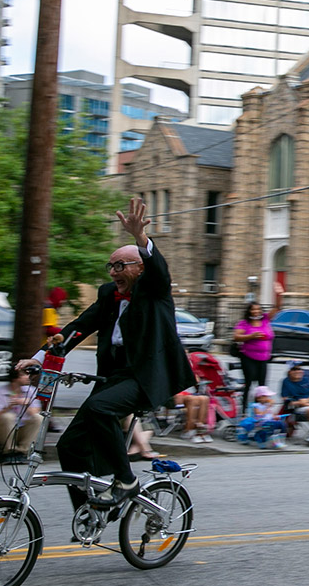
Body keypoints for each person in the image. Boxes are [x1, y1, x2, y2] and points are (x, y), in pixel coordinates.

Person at [16, 197, 195, 510]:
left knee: (101, 409)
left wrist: (141, 237)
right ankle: (91, 507)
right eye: (110, 266)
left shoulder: (153, 291)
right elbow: (78, 327)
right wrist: (40, 357)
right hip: (114, 376)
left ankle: (126, 480)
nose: (113, 272)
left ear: (140, 269)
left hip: (146, 376)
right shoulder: (109, 295)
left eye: (120, 265)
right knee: (69, 445)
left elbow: (159, 271)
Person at [0, 367, 44, 463]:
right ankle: (9, 452)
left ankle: (23, 451)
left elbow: (36, 412)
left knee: (39, 418)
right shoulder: (0, 392)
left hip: (24, 430)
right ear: (15, 378)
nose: (28, 377)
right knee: (8, 417)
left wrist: (26, 404)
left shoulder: (31, 391)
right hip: (5, 431)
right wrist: (8, 407)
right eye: (24, 375)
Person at [234, 302, 274, 416]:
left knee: (262, 386)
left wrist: (279, 294)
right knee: (249, 383)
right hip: (249, 357)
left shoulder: (265, 320)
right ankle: (244, 410)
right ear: (249, 311)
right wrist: (250, 336)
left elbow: (277, 308)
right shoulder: (244, 323)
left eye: (258, 309)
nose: (256, 312)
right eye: (253, 309)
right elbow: (236, 336)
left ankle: (260, 411)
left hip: (264, 358)